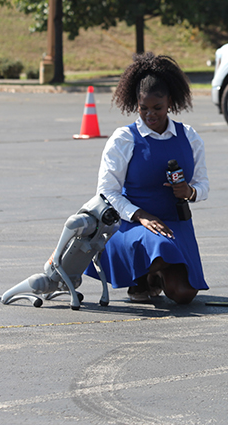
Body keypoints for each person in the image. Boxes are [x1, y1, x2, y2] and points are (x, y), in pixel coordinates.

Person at [85, 52, 210, 304]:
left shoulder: (190, 137)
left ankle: (155, 277)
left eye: (158, 108)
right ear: (136, 103)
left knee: (185, 294)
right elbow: (106, 192)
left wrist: (189, 192)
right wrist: (140, 214)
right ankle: (142, 276)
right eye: (143, 108)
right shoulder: (124, 139)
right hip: (133, 224)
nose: (150, 114)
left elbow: (203, 185)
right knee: (159, 248)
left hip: (176, 223)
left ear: (170, 103)